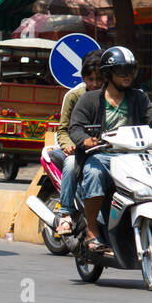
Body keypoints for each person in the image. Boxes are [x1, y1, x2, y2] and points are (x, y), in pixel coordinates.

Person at [67, 46, 152, 254]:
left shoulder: (138, 98)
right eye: (121, 71)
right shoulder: (90, 99)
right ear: (108, 73)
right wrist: (85, 140)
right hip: (101, 156)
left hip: (133, 157)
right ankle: (92, 230)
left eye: (130, 70)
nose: (127, 75)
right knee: (93, 173)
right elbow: (75, 127)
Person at [52, 51, 103, 236]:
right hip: (78, 150)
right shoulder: (74, 96)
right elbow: (64, 129)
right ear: (83, 78)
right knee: (72, 163)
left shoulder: (114, 95)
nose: (95, 84)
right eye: (91, 79)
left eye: (100, 79)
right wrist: (69, 145)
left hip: (105, 150)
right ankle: (65, 213)